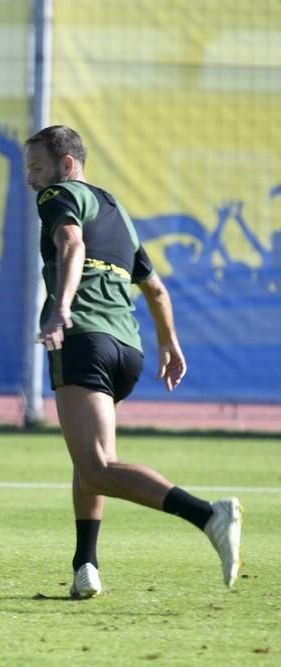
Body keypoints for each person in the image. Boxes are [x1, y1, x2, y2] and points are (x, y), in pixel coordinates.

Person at [23, 124, 242, 598]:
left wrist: (61, 307)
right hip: (127, 349)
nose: (30, 179)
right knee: (89, 461)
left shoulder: (58, 196)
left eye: (36, 166)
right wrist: (169, 342)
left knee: (98, 464)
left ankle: (208, 515)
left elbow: (70, 244)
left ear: (65, 165)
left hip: (83, 338)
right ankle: (86, 564)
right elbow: (156, 289)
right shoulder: (117, 212)